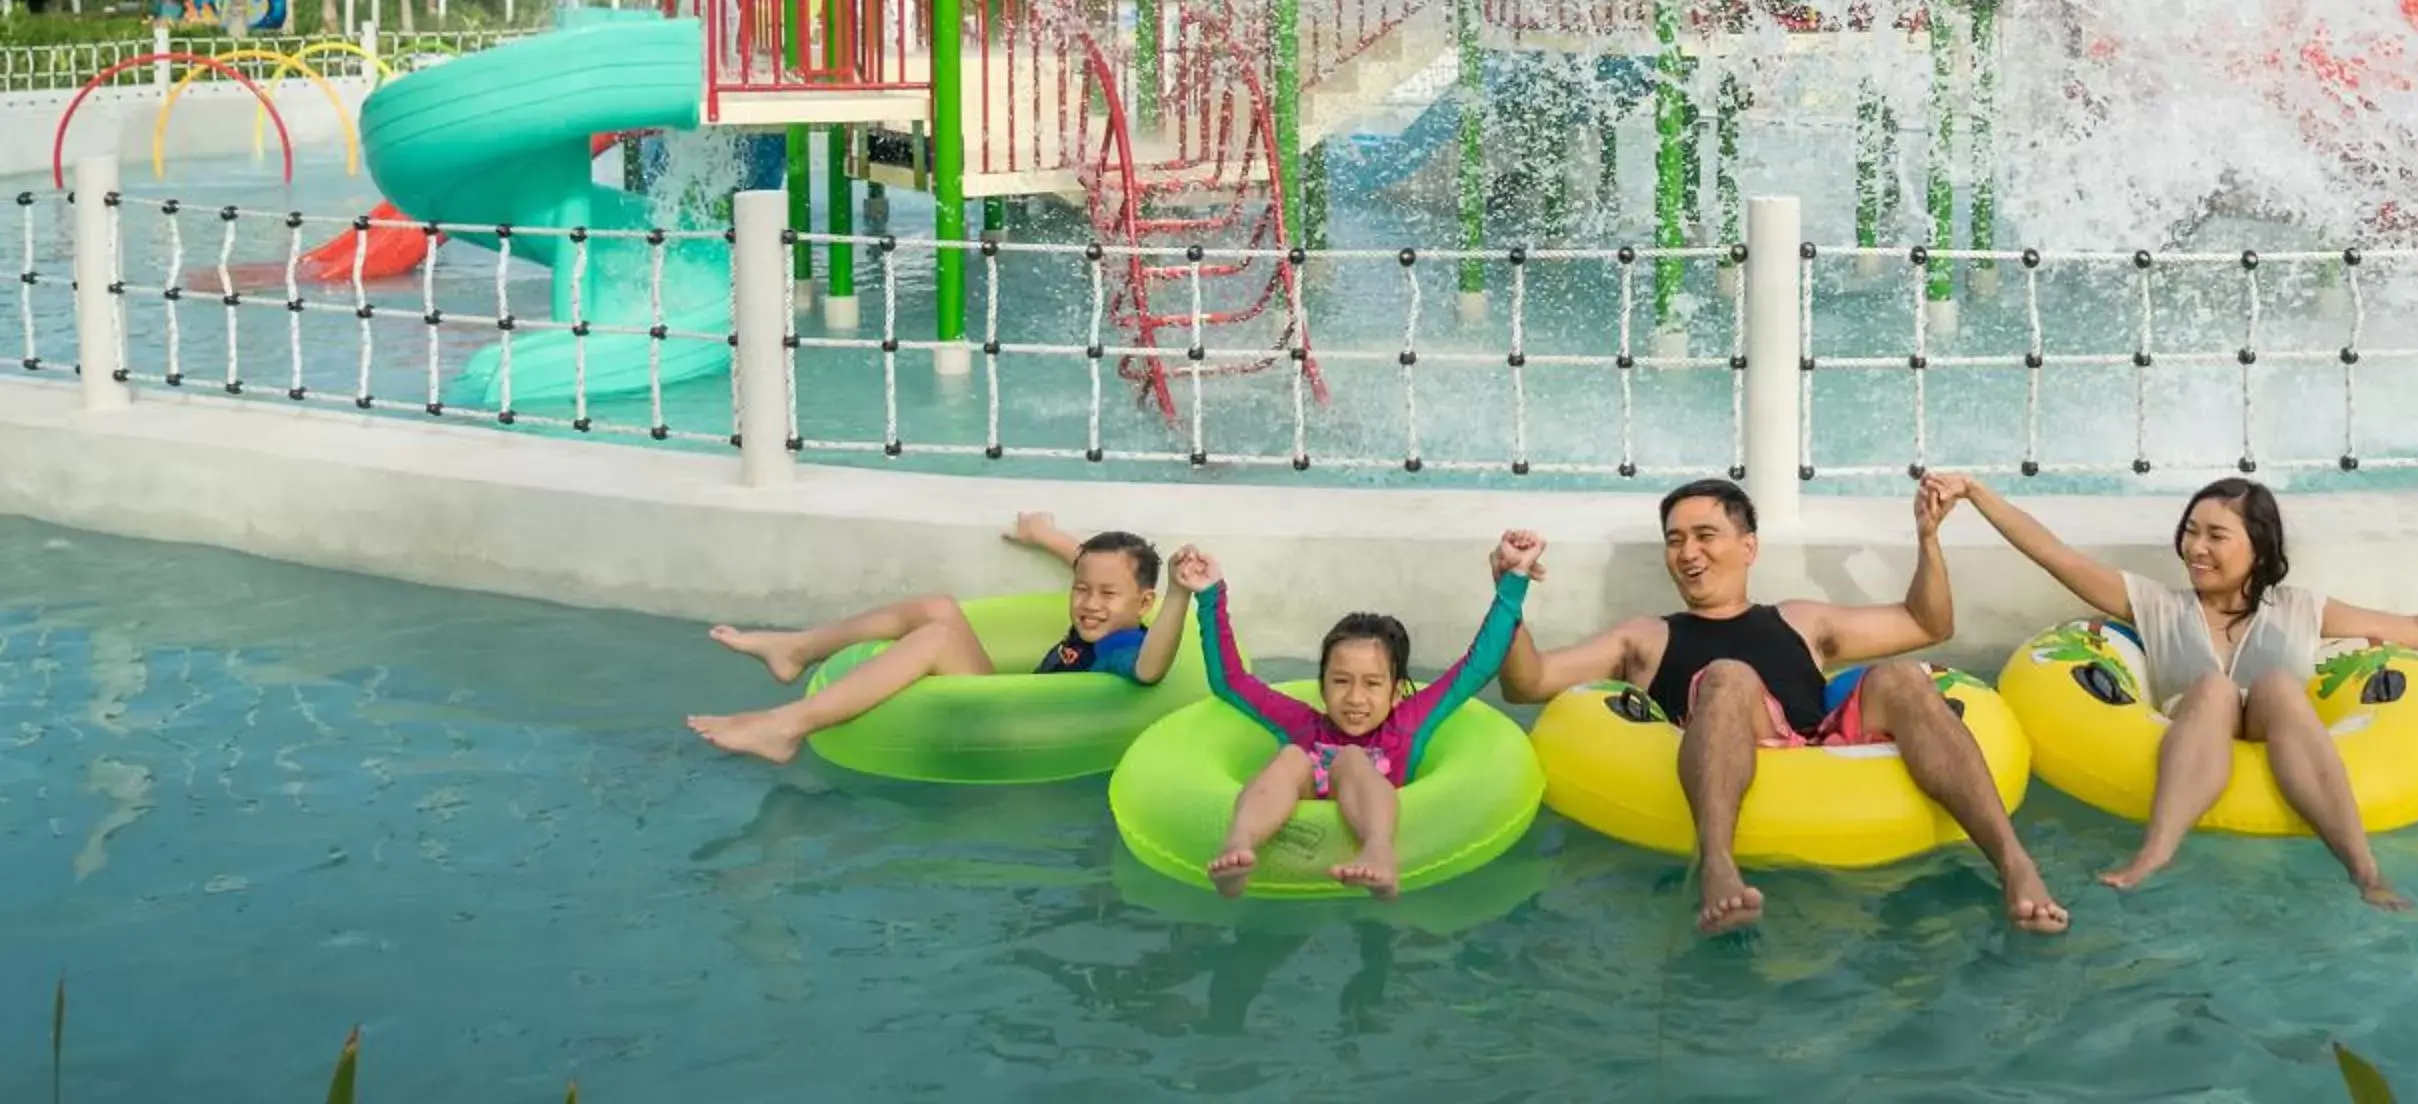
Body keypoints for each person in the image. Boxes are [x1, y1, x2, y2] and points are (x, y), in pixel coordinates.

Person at [1945, 472, 2418, 908]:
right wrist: (1978, 493)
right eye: (2191, 531)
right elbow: (2054, 554)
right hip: (2192, 727)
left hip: (2281, 730)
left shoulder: (2301, 609)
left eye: (2216, 535)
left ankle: (2363, 870)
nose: (2196, 547)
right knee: (2213, 691)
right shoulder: (2154, 605)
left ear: (2259, 547)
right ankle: (2154, 854)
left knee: (2280, 686)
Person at [1498, 478, 2067, 939]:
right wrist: (1510, 590)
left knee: (1901, 677)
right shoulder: (1644, 637)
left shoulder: (1801, 619)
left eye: (1705, 535)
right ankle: (1717, 865)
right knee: (1728, 675)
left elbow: (1928, 625)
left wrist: (1928, 539)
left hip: (1818, 744)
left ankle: (2015, 864)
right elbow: (1531, 682)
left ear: (1748, 547)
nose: (1688, 553)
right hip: (1731, 741)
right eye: (1675, 540)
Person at [1187, 533, 1539, 899]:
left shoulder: (1407, 723)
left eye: (1372, 683)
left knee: (1350, 758)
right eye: (1340, 681)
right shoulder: (1302, 724)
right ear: (1321, 686)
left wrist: (1514, 581)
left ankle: (1378, 850)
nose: (1355, 698)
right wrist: (1210, 594)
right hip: (1302, 848)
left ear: (1397, 689)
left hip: (1376, 826)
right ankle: (1240, 844)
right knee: (1292, 756)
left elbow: (1477, 666)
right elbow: (1230, 682)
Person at [687, 512, 1196, 763]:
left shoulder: (1123, 646)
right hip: (1008, 702)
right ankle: (797, 648)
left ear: (1143, 605)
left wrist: (1178, 592)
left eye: (1108, 595)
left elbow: (1153, 669)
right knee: (938, 608)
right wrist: (1046, 534)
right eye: (1081, 590)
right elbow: (1094, 567)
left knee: (934, 638)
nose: (1089, 603)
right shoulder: (1105, 609)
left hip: (1020, 731)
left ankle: (787, 726)